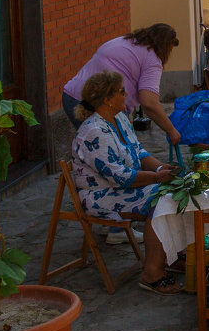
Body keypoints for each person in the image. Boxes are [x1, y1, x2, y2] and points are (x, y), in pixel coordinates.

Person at [71, 71, 183, 295]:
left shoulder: (119, 118)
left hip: (121, 187)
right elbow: (121, 178)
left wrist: (161, 169)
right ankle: (152, 272)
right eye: (121, 91)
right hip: (101, 196)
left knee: (175, 190)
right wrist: (158, 178)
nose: (127, 94)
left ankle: (169, 255)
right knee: (161, 197)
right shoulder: (94, 131)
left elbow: (138, 152)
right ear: (107, 99)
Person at [62, 23, 184, 146]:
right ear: (166, 46)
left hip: (72, 95)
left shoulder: (123, 41)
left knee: (100, 147)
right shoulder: (152, 58)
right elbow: (149, 103)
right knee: (112, 149)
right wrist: (171, 130)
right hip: (98, 106)